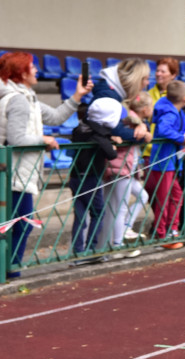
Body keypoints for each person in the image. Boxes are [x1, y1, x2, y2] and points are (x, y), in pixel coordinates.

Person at [0, 52, 93, 276]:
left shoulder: (27, 97)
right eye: (31, 67)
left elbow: (54, 117)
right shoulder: (18, 100)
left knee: (17, 225)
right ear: (21, 73)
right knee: (20, 225)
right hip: (14, 174)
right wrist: (43, 140)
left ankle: (7, 272)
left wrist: (77, 96)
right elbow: (17, 140)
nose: (36, 70)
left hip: (17, 173)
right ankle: (8, 273)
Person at [69, 98, 121, 254]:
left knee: (80, 215)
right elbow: (111, 154)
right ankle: (91, 249)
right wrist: (111, 144)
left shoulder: (81, 129)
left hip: (76, 176)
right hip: (90, 177)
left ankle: (77, 251)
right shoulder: (97, 134)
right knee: (98, 212)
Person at [103, 92, 152, 255]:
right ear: (145, 109)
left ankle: (126, 228)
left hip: (128, 170)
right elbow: (130, 137)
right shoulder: (129, 121)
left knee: (143, 196)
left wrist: (144, 131)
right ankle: (117, 244)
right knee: (121, 208)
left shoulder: (138, 122)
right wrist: (143, 135)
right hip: (120, 168)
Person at [146, 80, 185, 243]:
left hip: (171, 163)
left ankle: (173, 228)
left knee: (176, 195)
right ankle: (161, 233)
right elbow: (164, 129)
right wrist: (181, 138)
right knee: (163, 199)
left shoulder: (178, 112)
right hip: (162, 162)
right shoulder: (170, 112)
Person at [91, 58, 151, 143]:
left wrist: (143, 126)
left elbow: (138, 116)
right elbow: (116, 130)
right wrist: (143, 136)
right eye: (146, 79)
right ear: (136, 79)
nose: (147, 83)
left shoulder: (122, 95)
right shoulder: (108, 95)